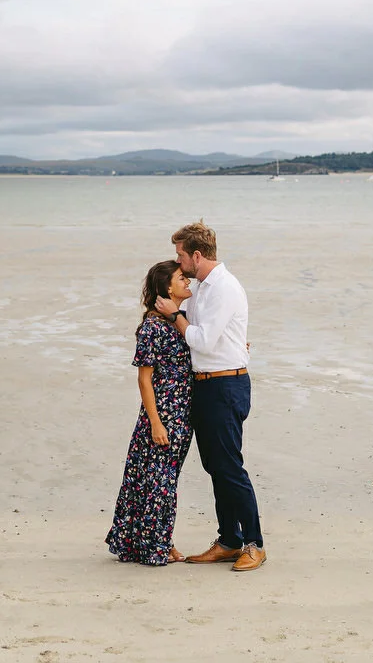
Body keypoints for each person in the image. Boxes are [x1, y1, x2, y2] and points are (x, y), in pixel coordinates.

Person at [154, 221, 265, 571]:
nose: (178, 261)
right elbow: (209, 334)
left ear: (197, 255)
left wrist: (175, 317)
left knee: (230, 467)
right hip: (205, 384)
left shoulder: (224, 288)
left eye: (181, 255)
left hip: (225, 386)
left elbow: (201, 339)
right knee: (215, 466)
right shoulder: (202, 287)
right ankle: (229, 540)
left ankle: (254, 544)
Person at [105, 259, 196, 565]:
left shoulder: (178, 320)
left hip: (182, 415)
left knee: (163, 482)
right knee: (158, 483)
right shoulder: (153, 327)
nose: (188, 282)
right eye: (181, 278)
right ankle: (155, 546)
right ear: (165, 287)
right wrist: (156, 423)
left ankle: (156, 540)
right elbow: (144, 378)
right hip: (163, 417)